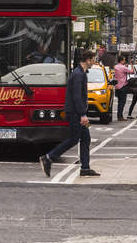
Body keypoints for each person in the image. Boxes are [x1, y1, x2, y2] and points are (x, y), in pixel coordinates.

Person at [40, 49, 99, 178]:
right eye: (93, 60)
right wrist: (83, 114)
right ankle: (48, 157)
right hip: (76, 113)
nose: (94, 63)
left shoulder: (81, 73)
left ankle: (85, 168)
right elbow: (77, 96)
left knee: (86, 138)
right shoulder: (78, 75)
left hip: (78, 112)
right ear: (87, 60)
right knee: (74, 139)